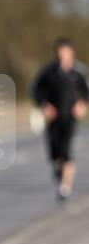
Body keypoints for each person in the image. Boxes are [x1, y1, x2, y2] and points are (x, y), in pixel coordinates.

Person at [30, 38, 88, 200]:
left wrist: (82, 105)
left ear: (71, 52)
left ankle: (65, 187)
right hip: (53, 118)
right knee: (54, 152)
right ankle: (58, 168)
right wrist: (44, 105)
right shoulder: (48, 72)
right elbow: (35, 90)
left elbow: (86, 91)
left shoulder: (79, 72)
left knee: (66, 149)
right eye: (60, 52)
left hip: (70, 117)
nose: (63, 55)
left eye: (65, 52)